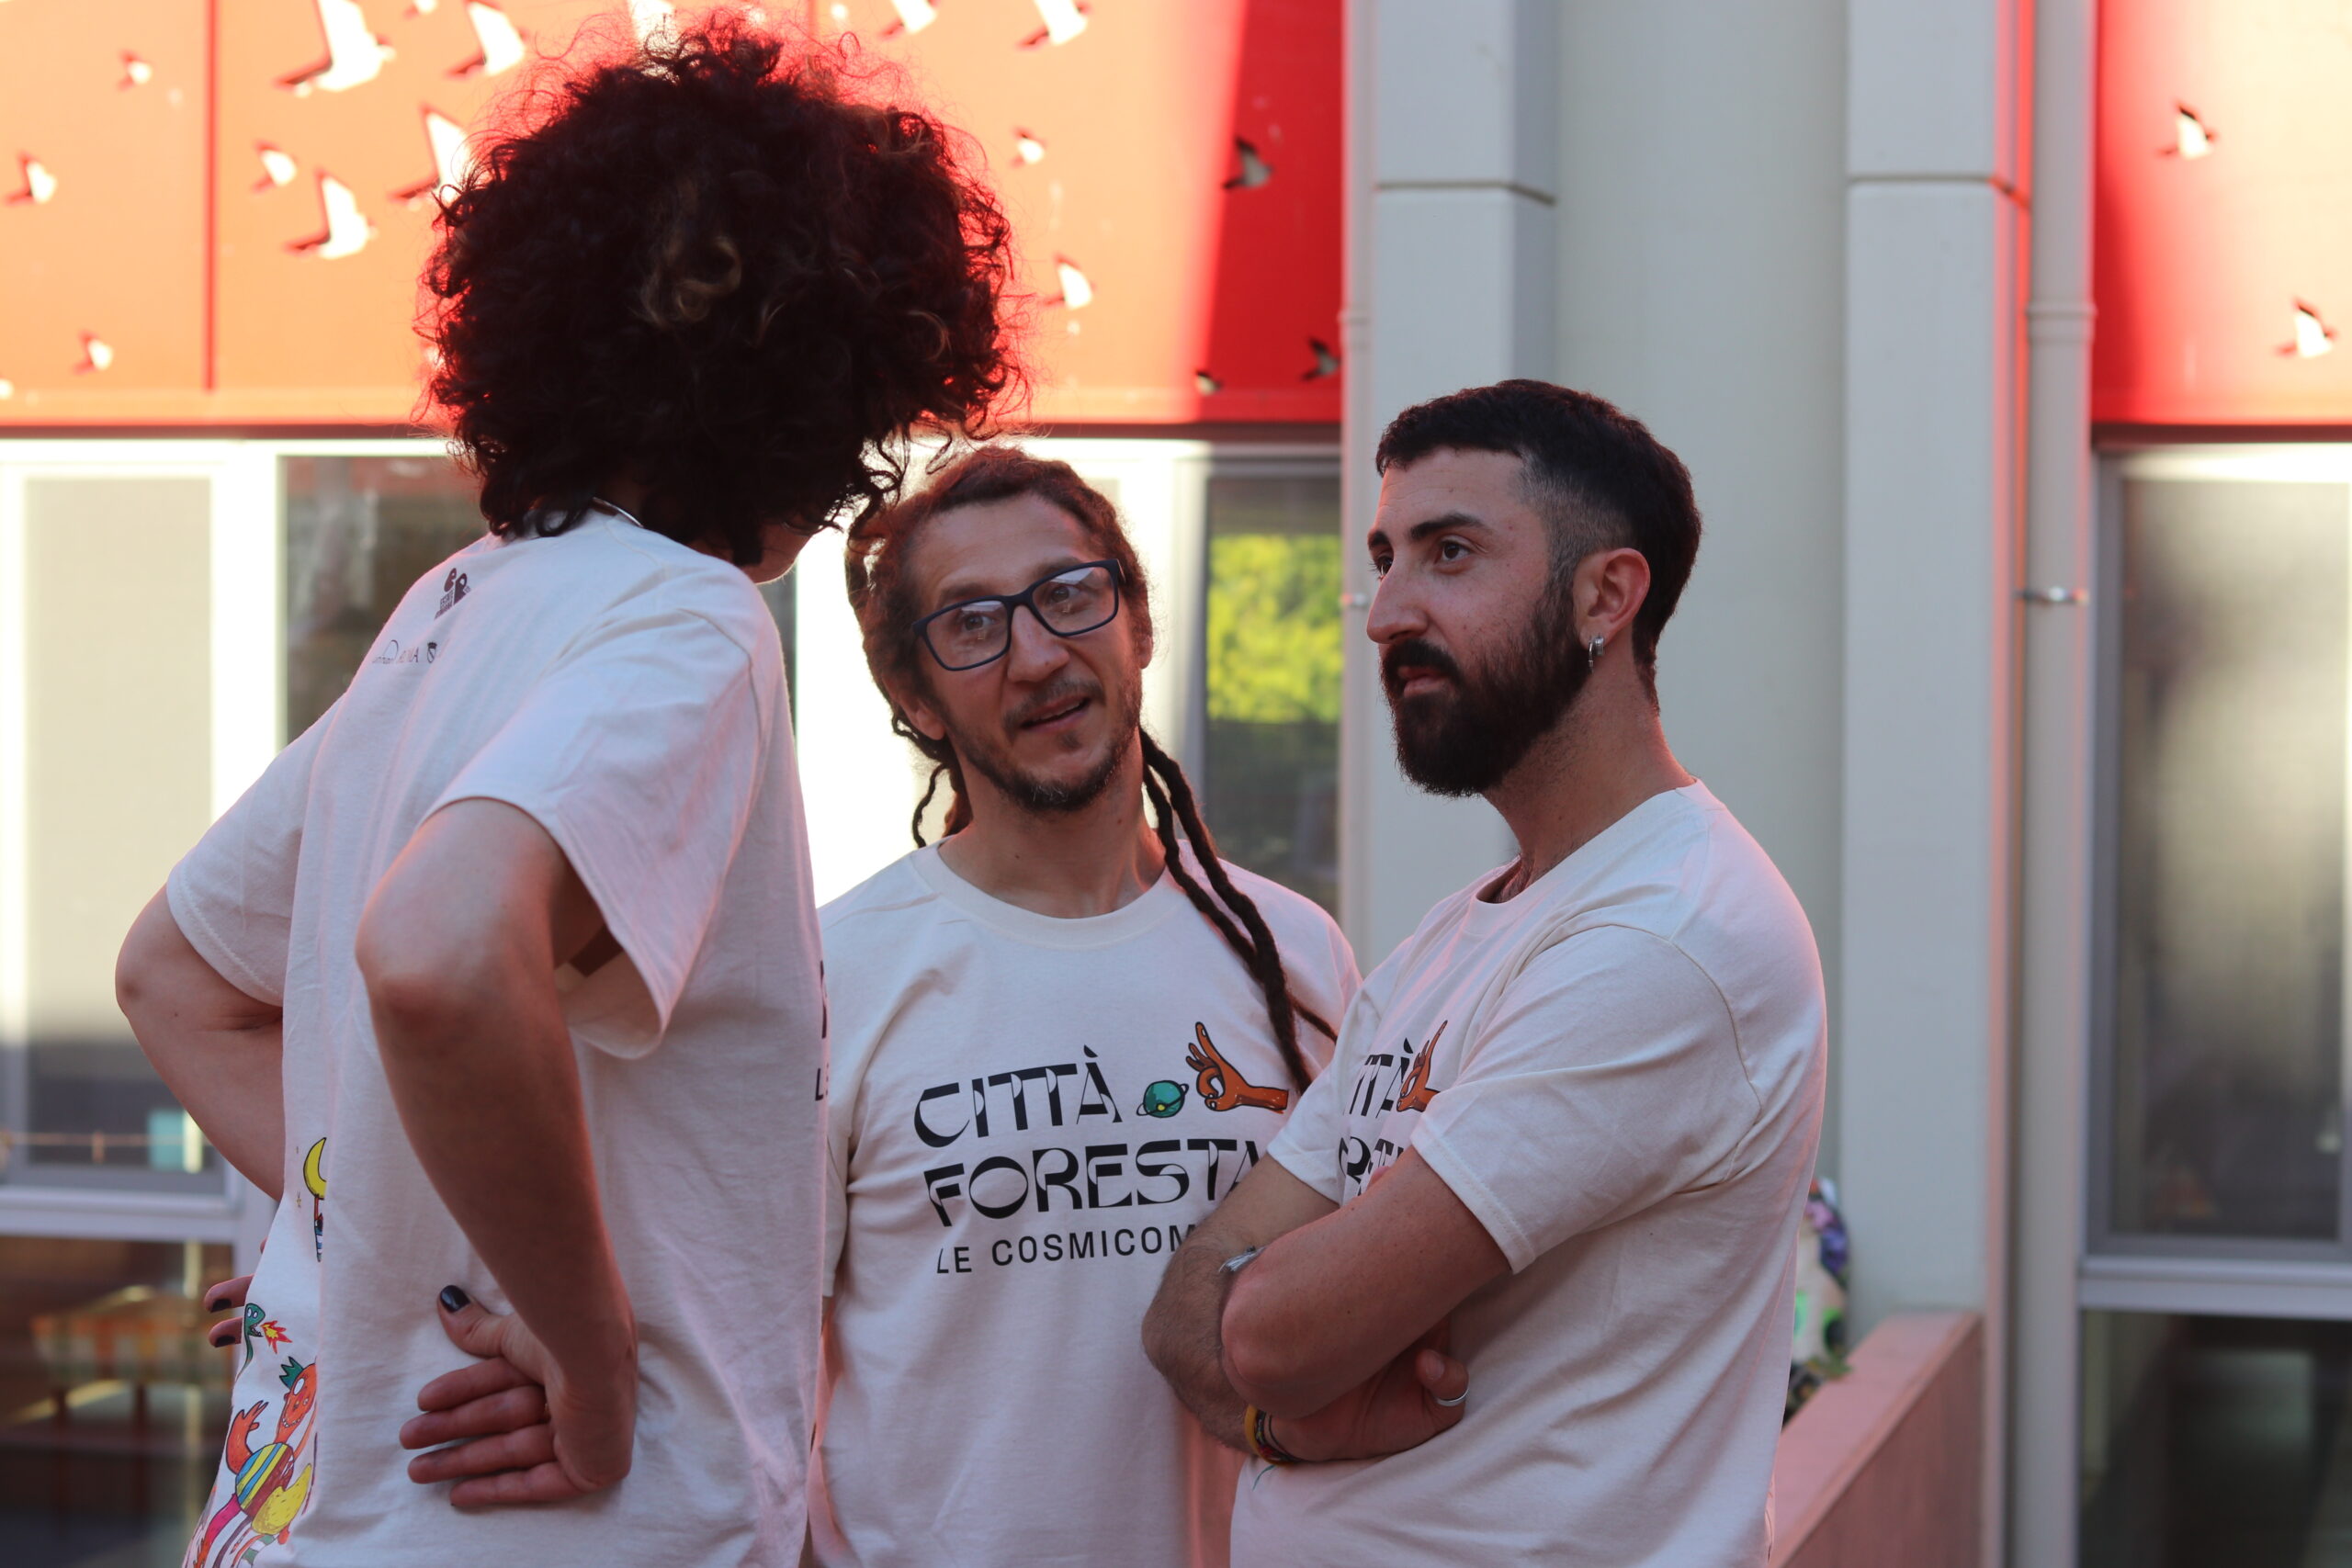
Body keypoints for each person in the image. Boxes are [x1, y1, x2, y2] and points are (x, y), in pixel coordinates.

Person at [114, 17, 1016, 1565]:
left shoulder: (448, 615)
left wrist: (389, 1250)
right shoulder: (688, 619)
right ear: (817, 389)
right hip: (561, 1520)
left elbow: (174, 977)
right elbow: (442, 954)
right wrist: (591, 1360)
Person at [1143, 380, 1827, 1566]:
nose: (1385, 613)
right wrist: (1278, 1417)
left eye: (1449, 553)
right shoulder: (1456, 936)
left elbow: (1267, 1335)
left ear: (1605, 595)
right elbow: (1184, 1312)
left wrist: (1278, 1337)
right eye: (1385, 558)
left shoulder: (1665, 937)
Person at [807, 446, 1408, 1568]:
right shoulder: (840, 972)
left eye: (1070, 594)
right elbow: (750, 1360)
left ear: (1136, 625)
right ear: (914, 699)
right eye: (972, 624)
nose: (1037, 654)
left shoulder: (1294, 957)